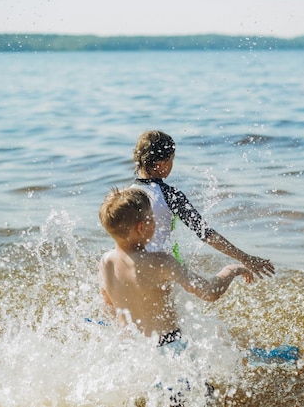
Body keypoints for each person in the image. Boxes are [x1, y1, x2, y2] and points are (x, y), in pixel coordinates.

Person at [98, 186, 254, 346]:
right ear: (141, 227)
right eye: (152, 217)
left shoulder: (106, 262)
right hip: (167, 345)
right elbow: (209, 292)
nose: (155, 222)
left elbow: (108, 305)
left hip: (131, 348)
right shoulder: (160, 261)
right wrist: (232, 269)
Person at [130, 130, 275, 279]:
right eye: (172, 159)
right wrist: (245, 258)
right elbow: (206, 233)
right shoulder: (170, 195)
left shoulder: (125, 195)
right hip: (163, 269)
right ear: (161, 163)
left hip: (131, 267)